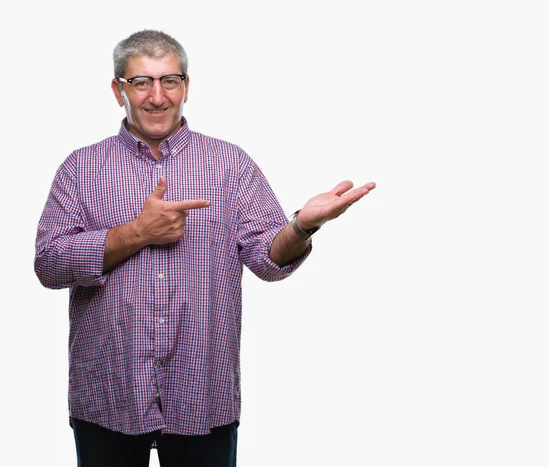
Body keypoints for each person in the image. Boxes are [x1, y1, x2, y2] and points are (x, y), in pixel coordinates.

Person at [34, 29, 376, 467]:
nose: (157, 97)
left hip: (202, 393)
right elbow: (48, 264)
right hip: (109, 393)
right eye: (141, 82)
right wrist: (139, 232)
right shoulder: (80, 169)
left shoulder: (230, 164)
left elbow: (267, 260)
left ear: (187, 87)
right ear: (118, 89)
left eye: (169, 81)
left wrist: (302, 226)